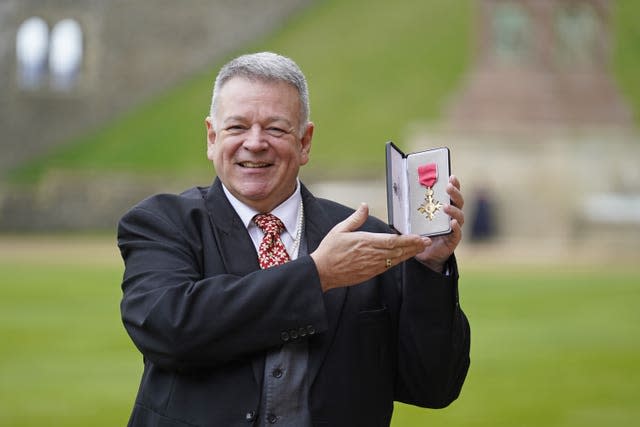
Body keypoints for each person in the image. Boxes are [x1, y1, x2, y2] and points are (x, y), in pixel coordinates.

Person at [118, 52, 470, 427]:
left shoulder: (370, 240)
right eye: (237, 127)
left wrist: (429, 269)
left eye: (275, 129)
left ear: (305, 142)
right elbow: (171, 329)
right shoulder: (161, 223)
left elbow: (434, 386)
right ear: (211, 137)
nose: (255, 143)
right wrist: (317, 275)